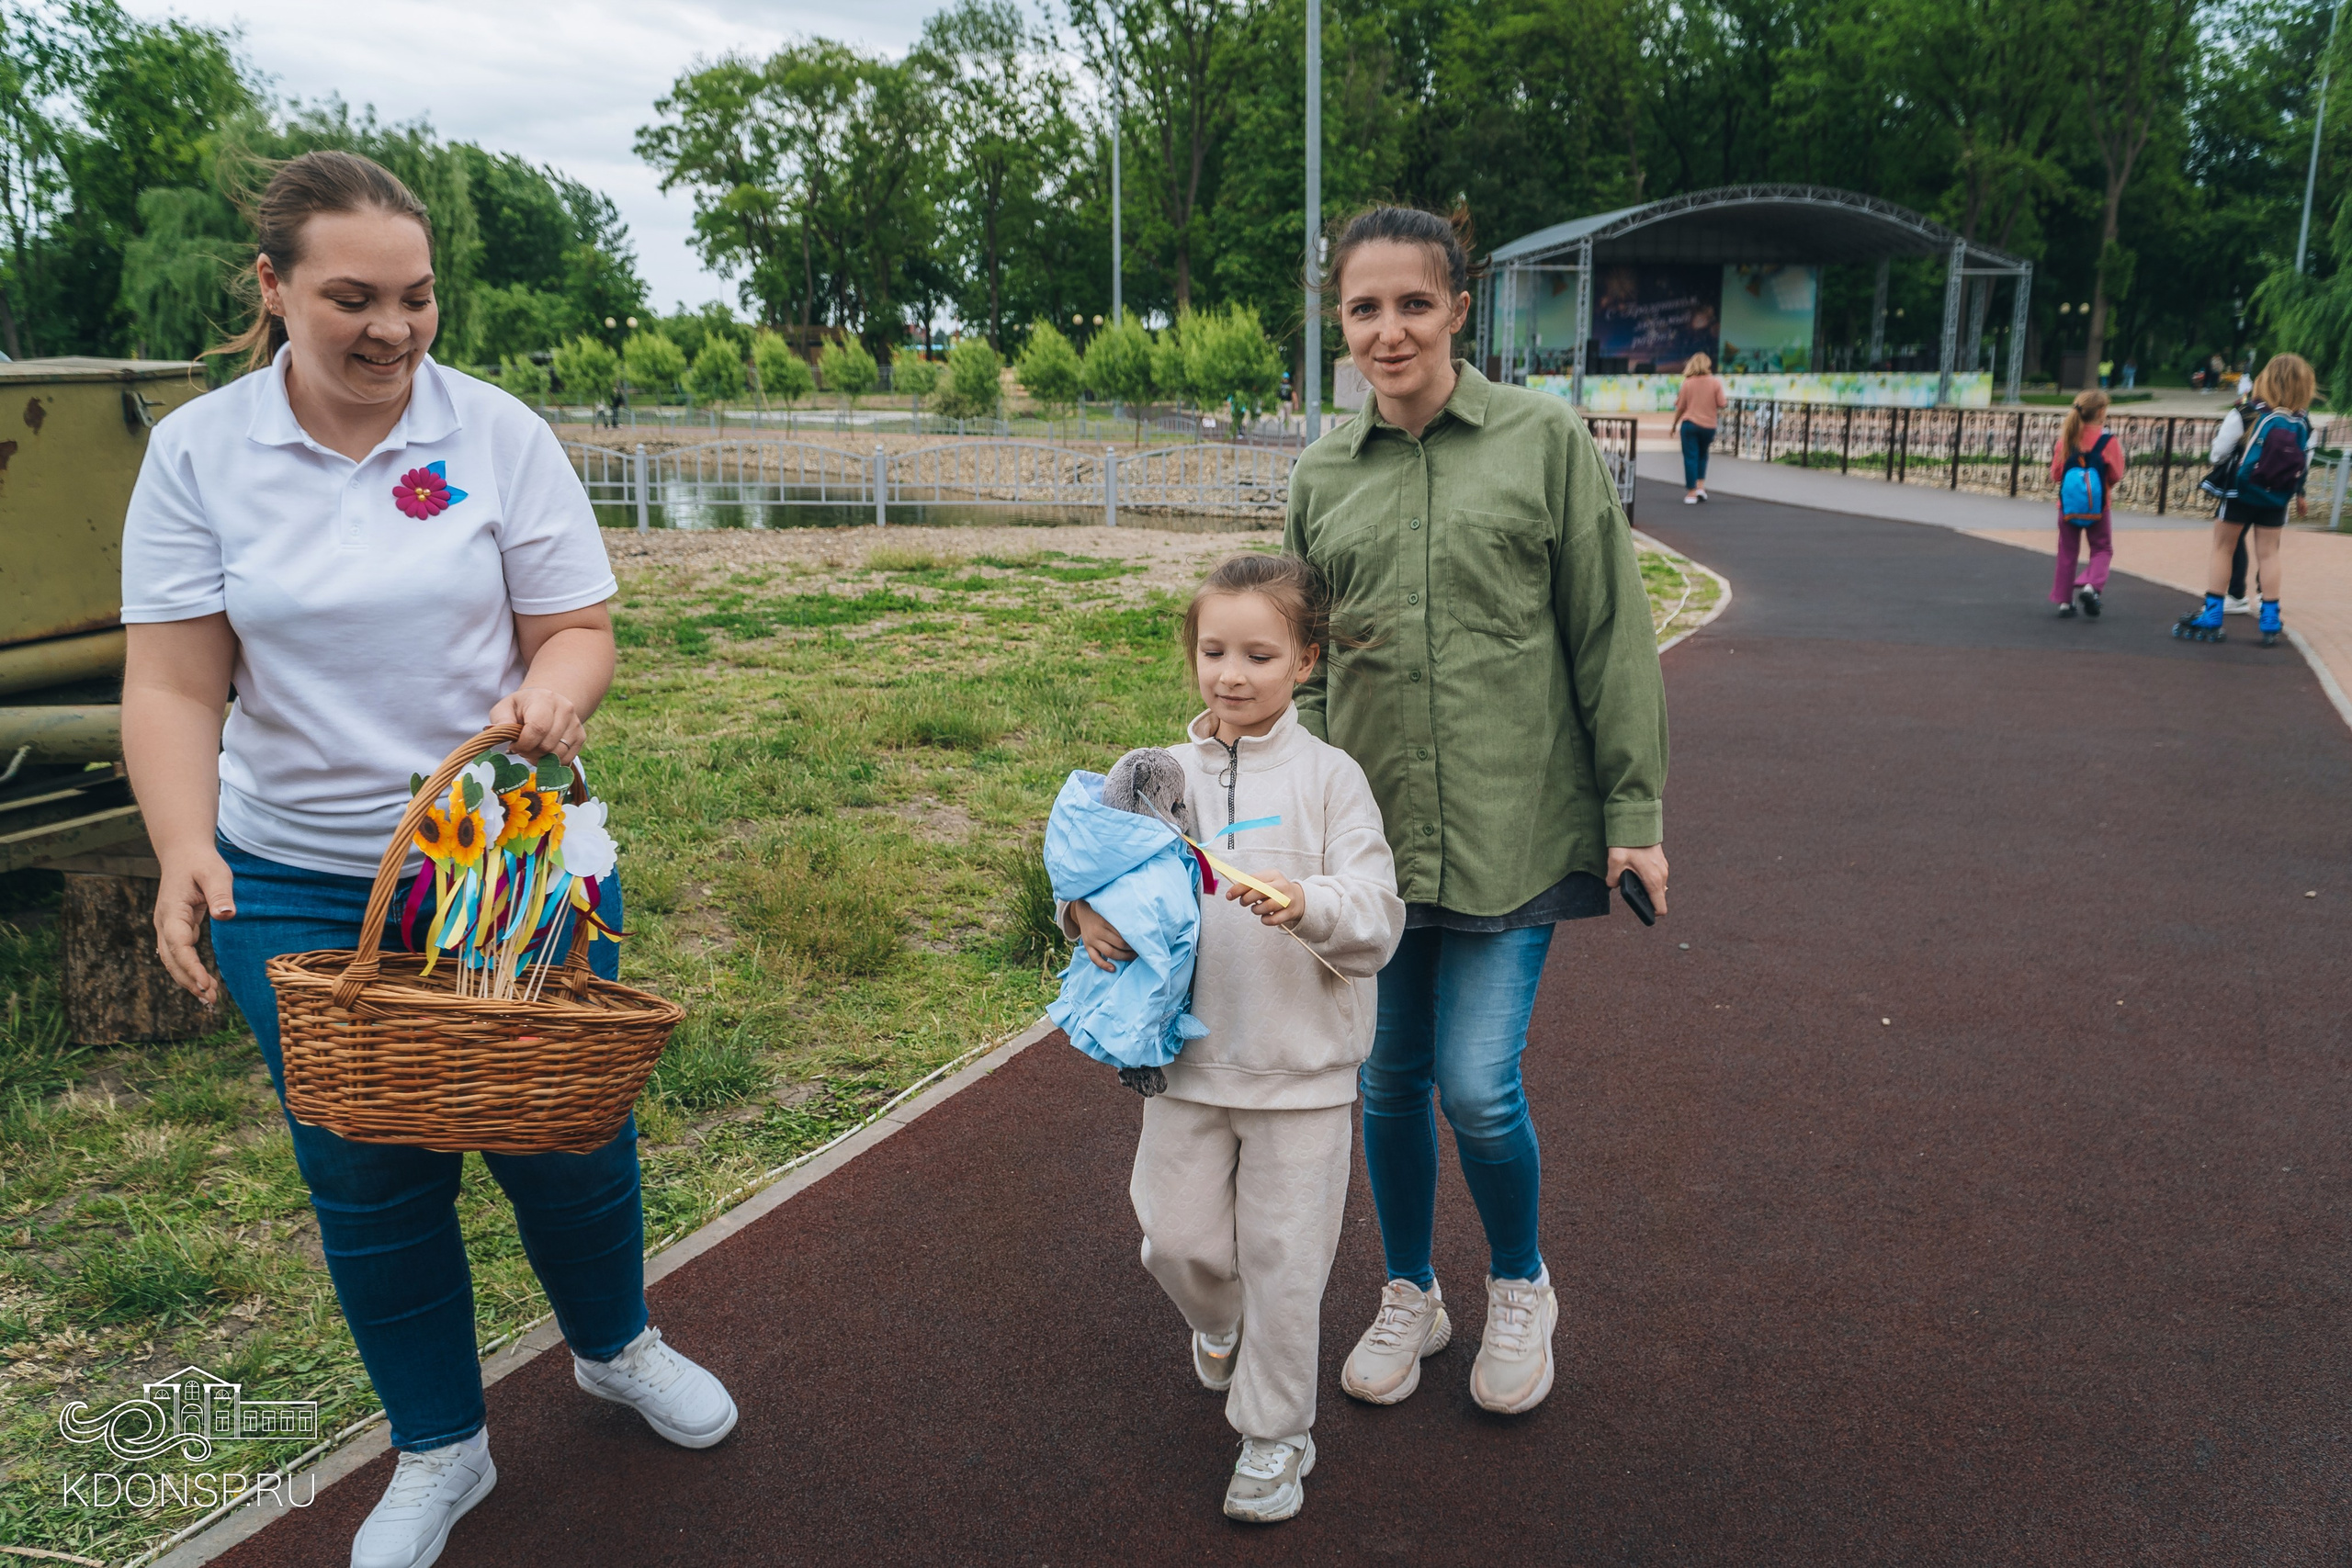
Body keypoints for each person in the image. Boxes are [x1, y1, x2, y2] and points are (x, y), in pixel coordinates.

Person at [119, 152, 737, 1568]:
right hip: (296, 873)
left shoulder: (498, 431)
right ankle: (441, 1445)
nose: (391, 328)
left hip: (504, 853)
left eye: (416, 298)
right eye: (352, 298)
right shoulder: (200, 453)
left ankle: (614, 1344)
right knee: (368, 1174)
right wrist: (181, 845)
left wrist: (561, 690)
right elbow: (169, 683)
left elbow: (575, 623)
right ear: (274, 289)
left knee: (565, 1135)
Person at [1284, 206, 1670, 1419]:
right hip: (1375, 846)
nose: (1388, 328)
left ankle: (1519, 1281)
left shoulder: (1543, 443)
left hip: (1516, 825)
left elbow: (1612, 630)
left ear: (1459, 309)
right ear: (1337, 322)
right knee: (1385, 1082)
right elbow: (1304, 664)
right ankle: (1410, 1289)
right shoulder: (1321, 474)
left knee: (1474, 1082)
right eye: (1363, 307)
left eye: (1413, 302)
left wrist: (1635, 806)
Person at [1064, 553, 1405, 1524]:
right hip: (1185, 1065)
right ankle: (1221, 1328)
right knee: (1174, 1242)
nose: (1231, 673)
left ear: (1304, 662)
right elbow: (1088, 869)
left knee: (1285, 1266)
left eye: (1259, 654)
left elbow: (1378, 913)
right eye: (1214, 650)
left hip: (1303, 1074)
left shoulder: (1332, 779)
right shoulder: (1151, 776)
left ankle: (1274, 1433)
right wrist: (1077, 914)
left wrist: (1305, 902)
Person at [2175, 352, 2316, 648]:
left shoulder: (2245, 413)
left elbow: (2218, 454)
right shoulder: (2304, 424)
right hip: (2277, 497)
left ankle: (2213, 614)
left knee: (2223, 548)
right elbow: (2303, 465)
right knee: (2269, 554)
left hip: (2240, 492)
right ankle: (2270, 617)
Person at [2050, 389, 2125, 619]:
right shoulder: (2108, 441)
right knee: (2102, 548)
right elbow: (2116, 474)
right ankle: (2092, 586)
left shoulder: (2066, 441)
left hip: (2068, 507)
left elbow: (2056, 474)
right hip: (2099, 507)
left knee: (2067, 551)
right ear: (2101, 412)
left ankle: (2064, 602)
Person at [1671, 350, 1730, 503]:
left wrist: (1674, 425)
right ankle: (1700, 488)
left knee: (1691, 457)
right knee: (1703, 455)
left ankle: (1691, 493)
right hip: (1709, 426)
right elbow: (1722, 403)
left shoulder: (1687, 383)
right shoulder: (1715, 382)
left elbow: (1681, 407)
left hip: (1690, 424)